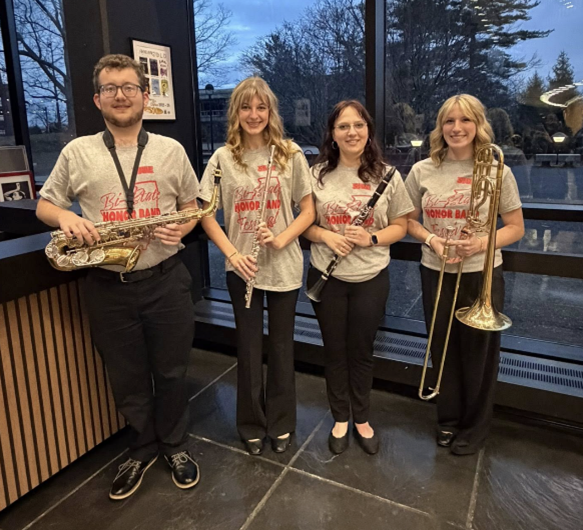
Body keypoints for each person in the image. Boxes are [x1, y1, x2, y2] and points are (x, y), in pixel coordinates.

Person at [36, 54, 200, 499]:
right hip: (108, 286)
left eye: (129, 87)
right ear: (97, 99)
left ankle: (175, 445)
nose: (121, 95)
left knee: (171, 371)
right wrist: (64, 220)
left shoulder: (171, 150)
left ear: (145, 96)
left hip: (166, 280)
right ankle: (142, 446)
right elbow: (45, 205)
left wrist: (181, 226)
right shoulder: (77, 152)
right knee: (125, 376)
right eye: (111, 88)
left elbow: (194, 206)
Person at [199, 77, 314, 455]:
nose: (254, 115)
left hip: (283, 265)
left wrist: (282, 238)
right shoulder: (221, 158)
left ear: (270, 112)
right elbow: (206, 214)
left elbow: (308, 210)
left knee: (281, 348)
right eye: (246, 107)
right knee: (248, 349)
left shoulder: (289, 153)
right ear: (236, 112)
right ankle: (250, 423)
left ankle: (282, 422)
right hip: (242, 267)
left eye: (261, 107)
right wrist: (232, 254)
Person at [405, 94, 524, 455]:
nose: (457, 128)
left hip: (480, 273)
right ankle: (448, 419)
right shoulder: (422, 170)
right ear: (440, 127)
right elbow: (407, 220)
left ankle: (474, 427)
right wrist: (431, 240)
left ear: (478, 125)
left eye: (465, 120)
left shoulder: (498, 170)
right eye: (449, 121)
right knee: (442, 348)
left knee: (479, 355)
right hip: (435, 269)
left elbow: (516, 227)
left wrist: (482, 244)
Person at [303, 100, 414, 455]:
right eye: (343, 127)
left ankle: (362, 417)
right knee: (334, 351)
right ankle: (339, 417)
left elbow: (403, 225)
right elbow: (304, 225)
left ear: (368, 130)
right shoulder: (316, 174)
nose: (352, 132)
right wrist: (326, 236)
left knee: (362, 351)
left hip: (371, 277)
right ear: (332, 135)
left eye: (358, 125)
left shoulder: (389, 175)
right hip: (327, 275)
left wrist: (373, 238)